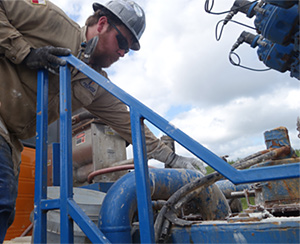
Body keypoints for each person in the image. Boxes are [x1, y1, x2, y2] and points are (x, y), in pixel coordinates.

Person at [0, 0, 206, 241]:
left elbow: (127, 120)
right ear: (102, 23)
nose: (122, 53)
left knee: (6, 210)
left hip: (10, 137)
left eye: (127, 50)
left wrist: (172, 158)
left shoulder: (93, 81)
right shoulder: (51, 20)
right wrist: (25, 52)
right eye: (121, 42)